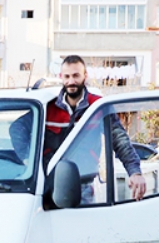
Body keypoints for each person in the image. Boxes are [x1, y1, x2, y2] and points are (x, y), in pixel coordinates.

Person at [45, 55, 145, 201]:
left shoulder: (98, 105)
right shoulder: (48, 107)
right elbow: (18, 131)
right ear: (61, 77)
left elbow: (119, 139)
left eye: (76, 75)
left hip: (84, 184)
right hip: (48, 185)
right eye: (67, 76)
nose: (71, 81)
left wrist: (134, 172)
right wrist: (29, 161)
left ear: (85, 76)